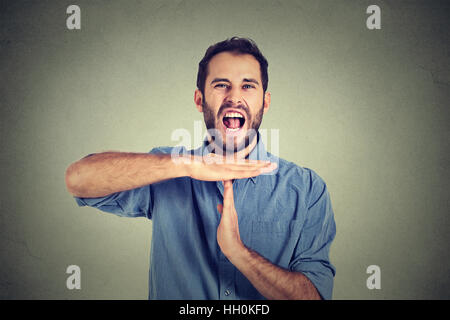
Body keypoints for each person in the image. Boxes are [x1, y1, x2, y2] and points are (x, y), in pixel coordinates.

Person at [65, 37, 336, 300]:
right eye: (221, 85)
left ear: (265, 101)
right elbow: (78, 179)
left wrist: (239, 253)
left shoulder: (307, 189)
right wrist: (186, 164)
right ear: (199, 100)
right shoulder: (166, 170)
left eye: (248, 86)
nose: (234, 97)